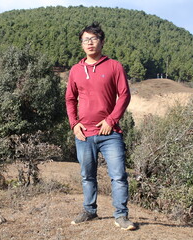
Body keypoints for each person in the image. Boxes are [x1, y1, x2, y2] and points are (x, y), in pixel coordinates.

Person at [65, 22, 135, 231]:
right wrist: (74, 125)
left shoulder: (114, 66)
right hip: (84, 134)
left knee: (118, 176)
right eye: (85, 39)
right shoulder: (76, 70)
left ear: (102, 42)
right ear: (81, 44)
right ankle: (89, 210)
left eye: (93, 39)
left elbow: (124, 95)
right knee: (87, 175)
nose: (89, 43)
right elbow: (70, 99)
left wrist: (111, 120)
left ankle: (121, 215)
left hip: (110, 133)